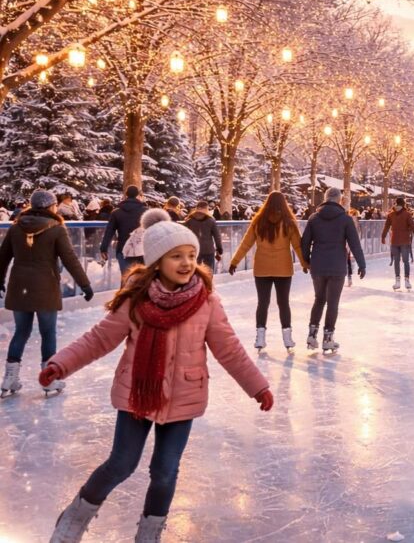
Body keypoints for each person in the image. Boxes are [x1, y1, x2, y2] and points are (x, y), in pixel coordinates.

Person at [43, 219, 272, 541]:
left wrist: (257, 385)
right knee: (121, 464)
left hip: (184, 398)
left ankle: (148, 534)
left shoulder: (206, 301)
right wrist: (60, 364)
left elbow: (230, 350)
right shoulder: (136, 299)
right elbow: (98, 340)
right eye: (176, 255)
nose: (187, 263)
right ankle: (73, 518)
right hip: (137, 393)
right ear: (156, 261)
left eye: (191, 255)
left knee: (164, 472)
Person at [0, 190, 94, 398]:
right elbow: (69, 258)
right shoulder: (56, 228)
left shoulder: (16, 227)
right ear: (50, 206)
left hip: (20, 287)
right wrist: (85, 285)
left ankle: (9, 378)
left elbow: (3, 257)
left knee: (21, 332)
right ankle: (49, 380)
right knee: (47, 332)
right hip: (45, 287)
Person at [229, 191, 308, 351]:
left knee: (263, 303)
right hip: (283, 269)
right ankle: (287, 339)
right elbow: (297, 245)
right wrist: (305, 263)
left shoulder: (258, 221)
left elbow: (246, 243)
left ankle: (260, 338)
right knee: (283, 303)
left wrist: (234, 262)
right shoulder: (289, 222)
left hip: (262, 268)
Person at [301, 188, 366, 353]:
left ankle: (312, 334)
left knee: (319, 299)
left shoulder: (314, 218)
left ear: (325, 199)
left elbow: (304, 243)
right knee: (332, 302)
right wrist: (361, 264)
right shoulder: (345, 219)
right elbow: (354, 243)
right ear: (339, 200)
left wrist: (307, 260)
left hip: (318, 265)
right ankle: (328, 338)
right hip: (337, 265)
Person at [100, 185, 148, 274]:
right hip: (142, 249)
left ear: (126, 195)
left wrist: (104, 248)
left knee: (126, 277)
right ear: (138, 195)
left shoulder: (116, 212)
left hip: (123, 249)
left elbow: (109, 232)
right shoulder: (145, 211)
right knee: (143, 278)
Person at [381, 197, 414, 291]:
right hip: (405, 241)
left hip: (394, 241)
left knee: (396, 261)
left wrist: (383, 236)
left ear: (395, 204)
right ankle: (407, 280)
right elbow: (413, 226)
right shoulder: (407, 214)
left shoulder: (391, 215)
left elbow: (386, 226)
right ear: (403, 204)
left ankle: (397, 281)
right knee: (406, 261)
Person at [183, 201, 223, 273]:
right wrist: (219, 249)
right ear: (206, 208)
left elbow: (184, 234)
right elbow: (217, 236)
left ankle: (196, 283)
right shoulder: (211, 220)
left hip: (194, 249)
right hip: (208, 250)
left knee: (194, 271)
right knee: (208, 272)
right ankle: (207, 283)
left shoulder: (190, 219)